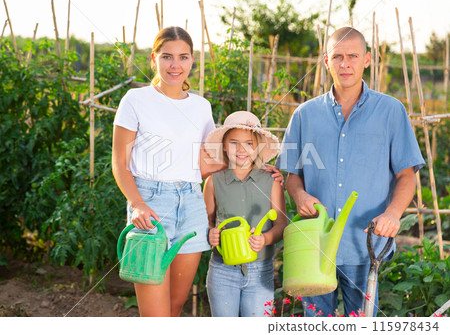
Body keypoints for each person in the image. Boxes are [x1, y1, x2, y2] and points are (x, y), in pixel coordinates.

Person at [276, 27, 424, 317]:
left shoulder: (391, 111)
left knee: (363, 323)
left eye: (353, 56)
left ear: (367, 59)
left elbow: (407, 175)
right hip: (315, 245)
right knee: (317, 324)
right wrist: (300, 195)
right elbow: (293, 176)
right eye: (338, 56)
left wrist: (393, 214)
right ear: (326, 60)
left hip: (364, 244)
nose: (345, 64)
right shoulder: (305, 115)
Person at [112, 26, 224, 317]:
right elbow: (120, 163)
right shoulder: (135, 101)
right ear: (154, 59)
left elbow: (202, 164)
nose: (175, 65)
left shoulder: (202, 107)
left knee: (174, 308)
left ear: (192, 61)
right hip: (151, 203)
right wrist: (137, 204)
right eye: (167, 56)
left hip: (191, 204)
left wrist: (256, 165)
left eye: (183, 57)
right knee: (155, 315)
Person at [203, 111, 288, 317]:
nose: (241, 150)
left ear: (257, 146)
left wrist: (265, 238)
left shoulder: (271, 181)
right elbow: (207, 221)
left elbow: (281, 225)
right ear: (224, 145)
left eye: (249, 143)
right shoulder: (214, 182)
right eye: (234, 143)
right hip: (222, 270)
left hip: (261, 270)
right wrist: (210, 234)